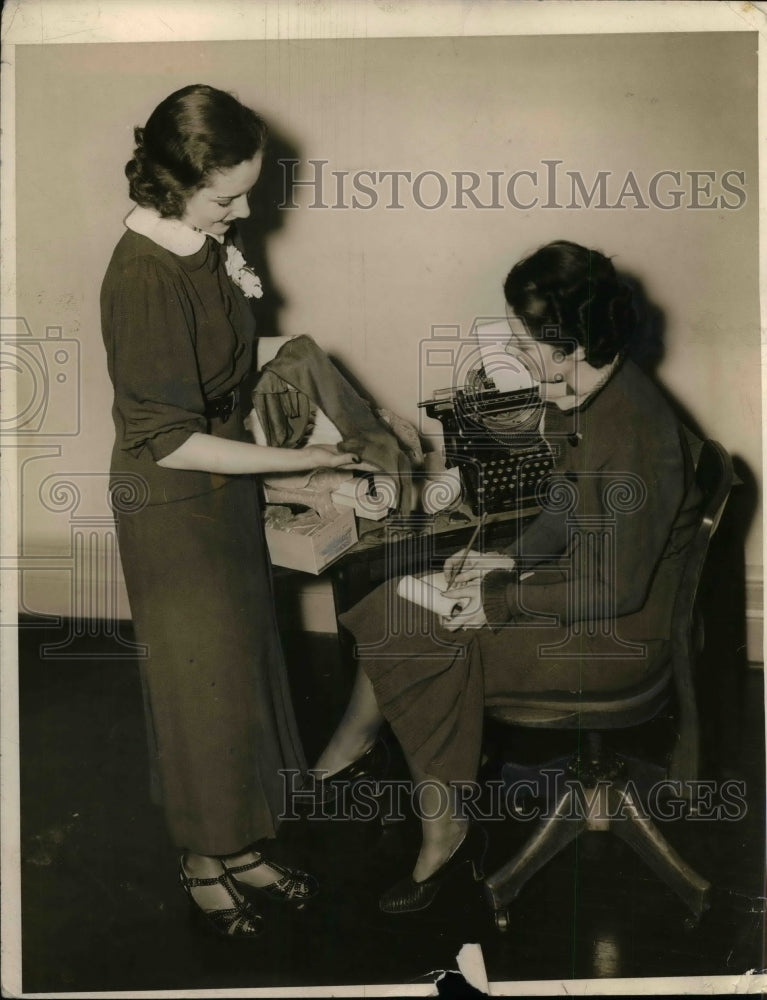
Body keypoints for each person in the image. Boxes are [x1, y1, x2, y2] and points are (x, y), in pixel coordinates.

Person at [310, 240, 702, 914]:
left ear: (568, 343)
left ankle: (446, 827)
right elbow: (560, 504)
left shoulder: (633, 431)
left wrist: (498, 599)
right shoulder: (582, 391)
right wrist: (507, 558)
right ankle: (346, 756)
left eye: (525, 338)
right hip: (577, 594)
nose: (514, 349)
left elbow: (616, 591)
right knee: (392, 600)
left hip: (614, 635)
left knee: (422, 635)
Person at [100, 84, 360, 939]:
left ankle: (239, 843)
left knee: (243, 674)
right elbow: (168, 439)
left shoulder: (205, 239)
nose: (243, 210)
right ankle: (201, 857)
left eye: (244, 190)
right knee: (196, 690)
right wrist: (303, 460)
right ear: (171, 187)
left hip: (221, 488)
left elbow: (235, 369)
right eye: (227, 196)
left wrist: (319, 430)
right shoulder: (143, 277)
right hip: (171, 501)